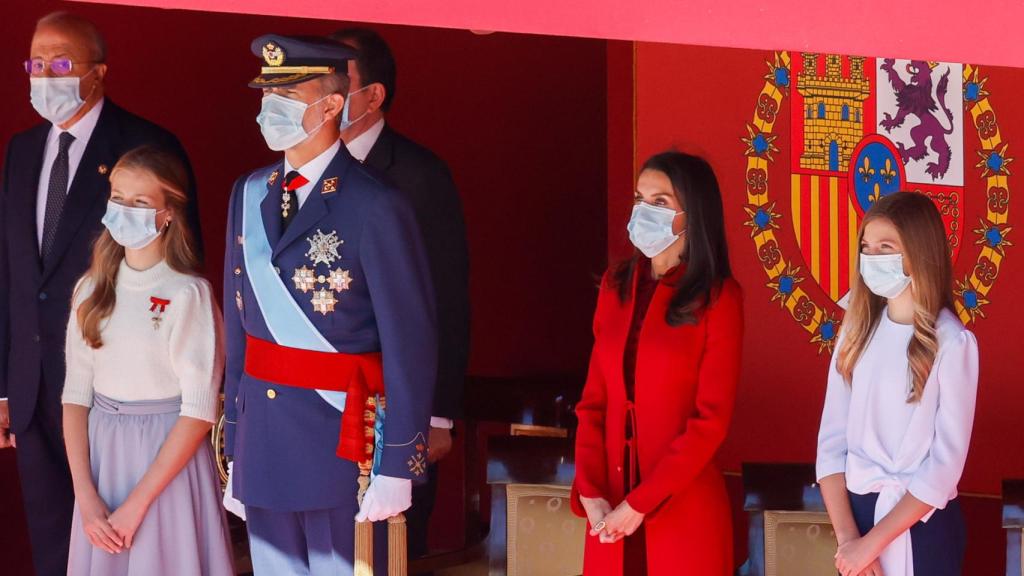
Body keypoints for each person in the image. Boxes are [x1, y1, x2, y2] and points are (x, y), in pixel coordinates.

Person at [222, 34, 437, 575]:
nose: (272, 111)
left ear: (332, 104)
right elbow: (239, 330)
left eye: (289, 98)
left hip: (343, 445)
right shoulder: (248, 194)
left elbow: (410, 341)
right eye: (267, 96)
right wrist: (234, 446)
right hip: (265, 440)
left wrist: (399, 464)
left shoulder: (377, 205)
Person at [0, 12, 202, 575]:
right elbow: (13, 274)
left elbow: (184, 263)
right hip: (34, 384)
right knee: (51, 541)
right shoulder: (22, 151)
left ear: (99, 73)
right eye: (36, 63)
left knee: (121, 544)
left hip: (122, 397)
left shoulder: (146, 144)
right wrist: (2, 387)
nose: (45, 75)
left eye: (61, 63)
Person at [330, 26, 470, 560]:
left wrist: (437, 416)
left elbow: (448, 301)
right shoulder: (299, 170)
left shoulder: (418, 175)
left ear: (373, 95)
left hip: (396, 403)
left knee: (393, 550)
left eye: (337, 80)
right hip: (322, 401)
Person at [62, 146, 232, 576]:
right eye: (118, 198)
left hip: (165, 463)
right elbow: (75, 397)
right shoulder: (90, 290)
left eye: (141, 203)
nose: (125, 211)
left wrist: (136, 506)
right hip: (103, 457)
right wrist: (86, 497)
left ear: (169, 212)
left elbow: (198, 411)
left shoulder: (187, 294)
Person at [571, 152, 743, 575]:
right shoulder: (616, 285)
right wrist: (591, 492)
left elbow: (710, 422)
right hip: (610, 505)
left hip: (682, 507)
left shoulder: (719, 299)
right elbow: (593, 402)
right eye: (639, 199)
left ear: (692, 215)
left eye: (660, 202)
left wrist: (641, 503)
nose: (644, 211)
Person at [817, 191, 978, 576]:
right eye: (866, 248)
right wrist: (850, 541)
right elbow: (831, 444)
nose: (872, 259)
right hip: (855, 519)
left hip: (922, 527)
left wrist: (874, 542)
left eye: (885, 248)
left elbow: (944, 466)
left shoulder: (952, 343)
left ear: (919, 253)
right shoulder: (855, 330)